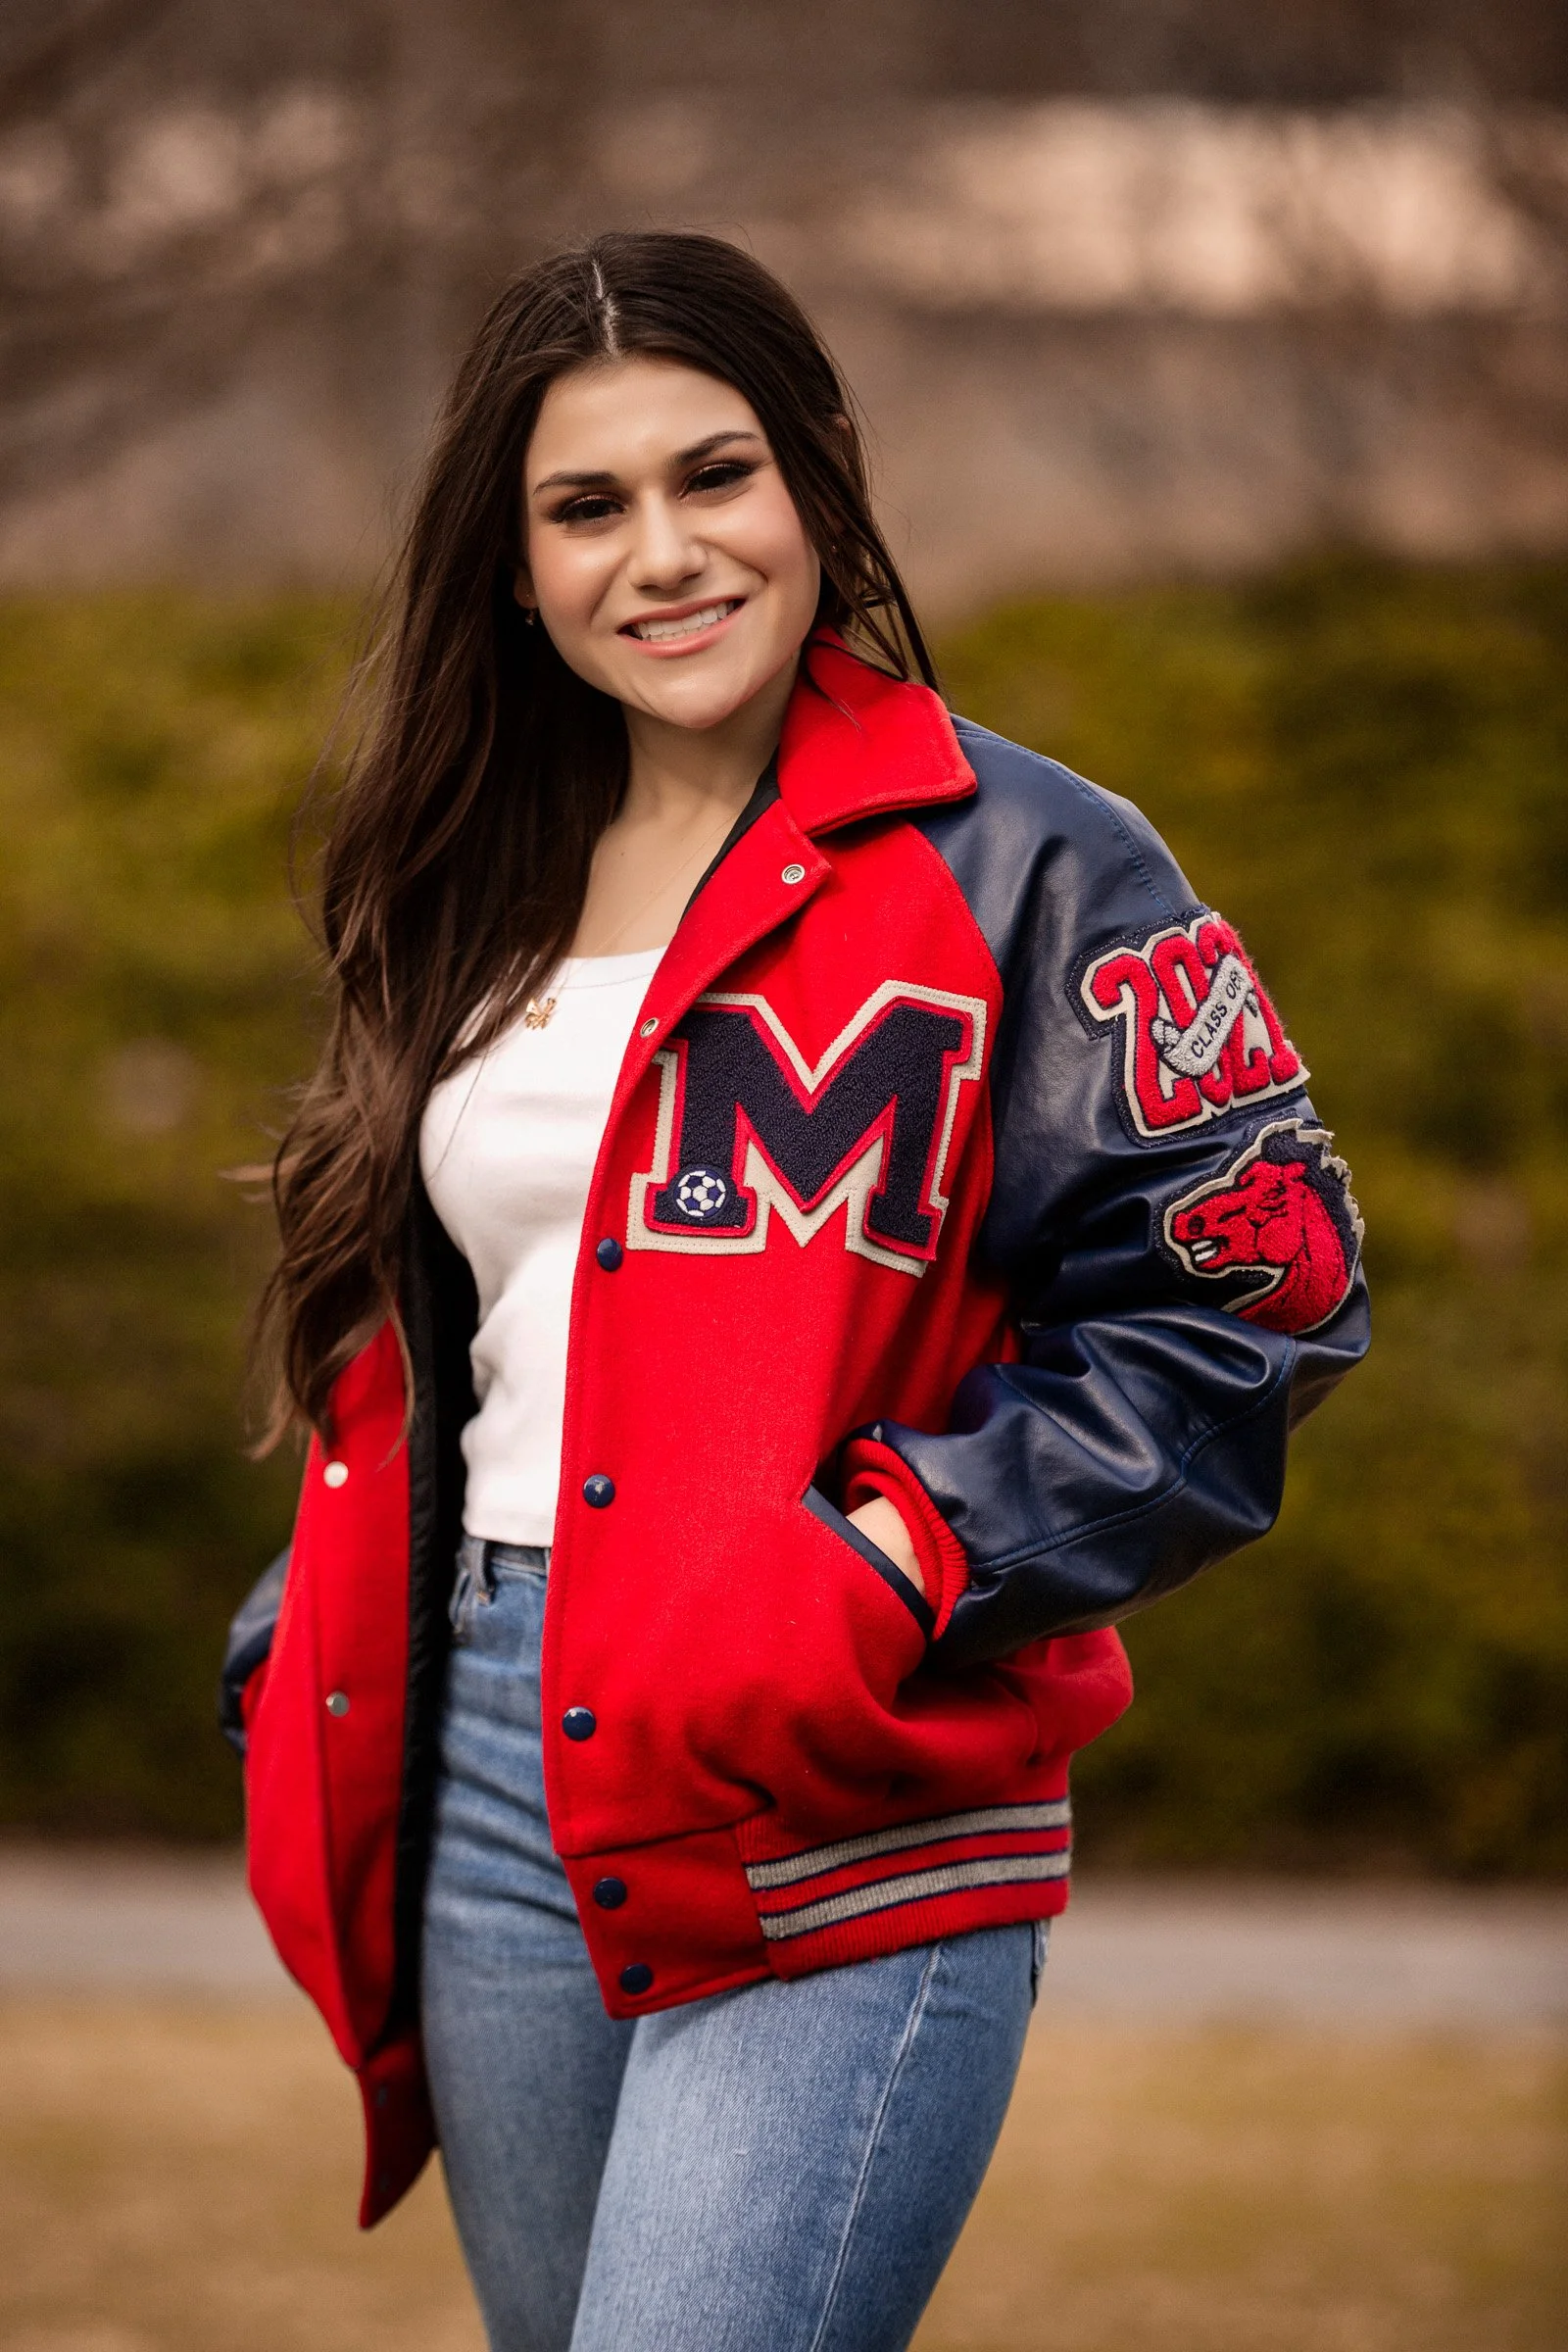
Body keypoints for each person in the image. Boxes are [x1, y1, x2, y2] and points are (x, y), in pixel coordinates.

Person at [221, 231, 1368, 2352]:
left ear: (819, 480)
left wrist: (882, 1561)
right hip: (487, 1772)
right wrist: (320, 1606)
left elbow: (1256, 1290)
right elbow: (471, 1316)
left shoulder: (1031, 860)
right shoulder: (466, 870)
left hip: (845, 1780)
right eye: (585, 507)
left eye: (711, 474)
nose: (660, 553)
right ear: (511, 563)